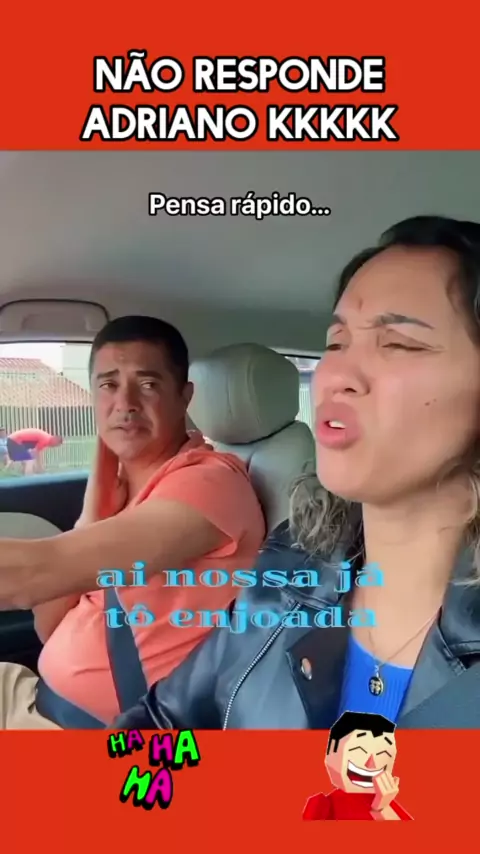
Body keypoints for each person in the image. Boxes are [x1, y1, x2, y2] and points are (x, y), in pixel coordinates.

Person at [109, 215, 480, 731]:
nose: (336, 375)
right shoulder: (291, 566)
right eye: (336, 342)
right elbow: (163, 721)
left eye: (398, 343)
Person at [0, 315, 266, 728]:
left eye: (147, 384)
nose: (125, 403)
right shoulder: (127, 487)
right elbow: (48, 625)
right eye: (108, 385)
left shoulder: (210, 482)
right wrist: (92, 512)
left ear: (184, 397)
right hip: (37, 699)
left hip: (99, 734)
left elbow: (30, 576)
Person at [302, 711, 412, 820]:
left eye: (383, 753)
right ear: (333, 748)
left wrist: (382, 809)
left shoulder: (384, 801)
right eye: (359, 750)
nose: (372, 764)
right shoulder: (323, 805)